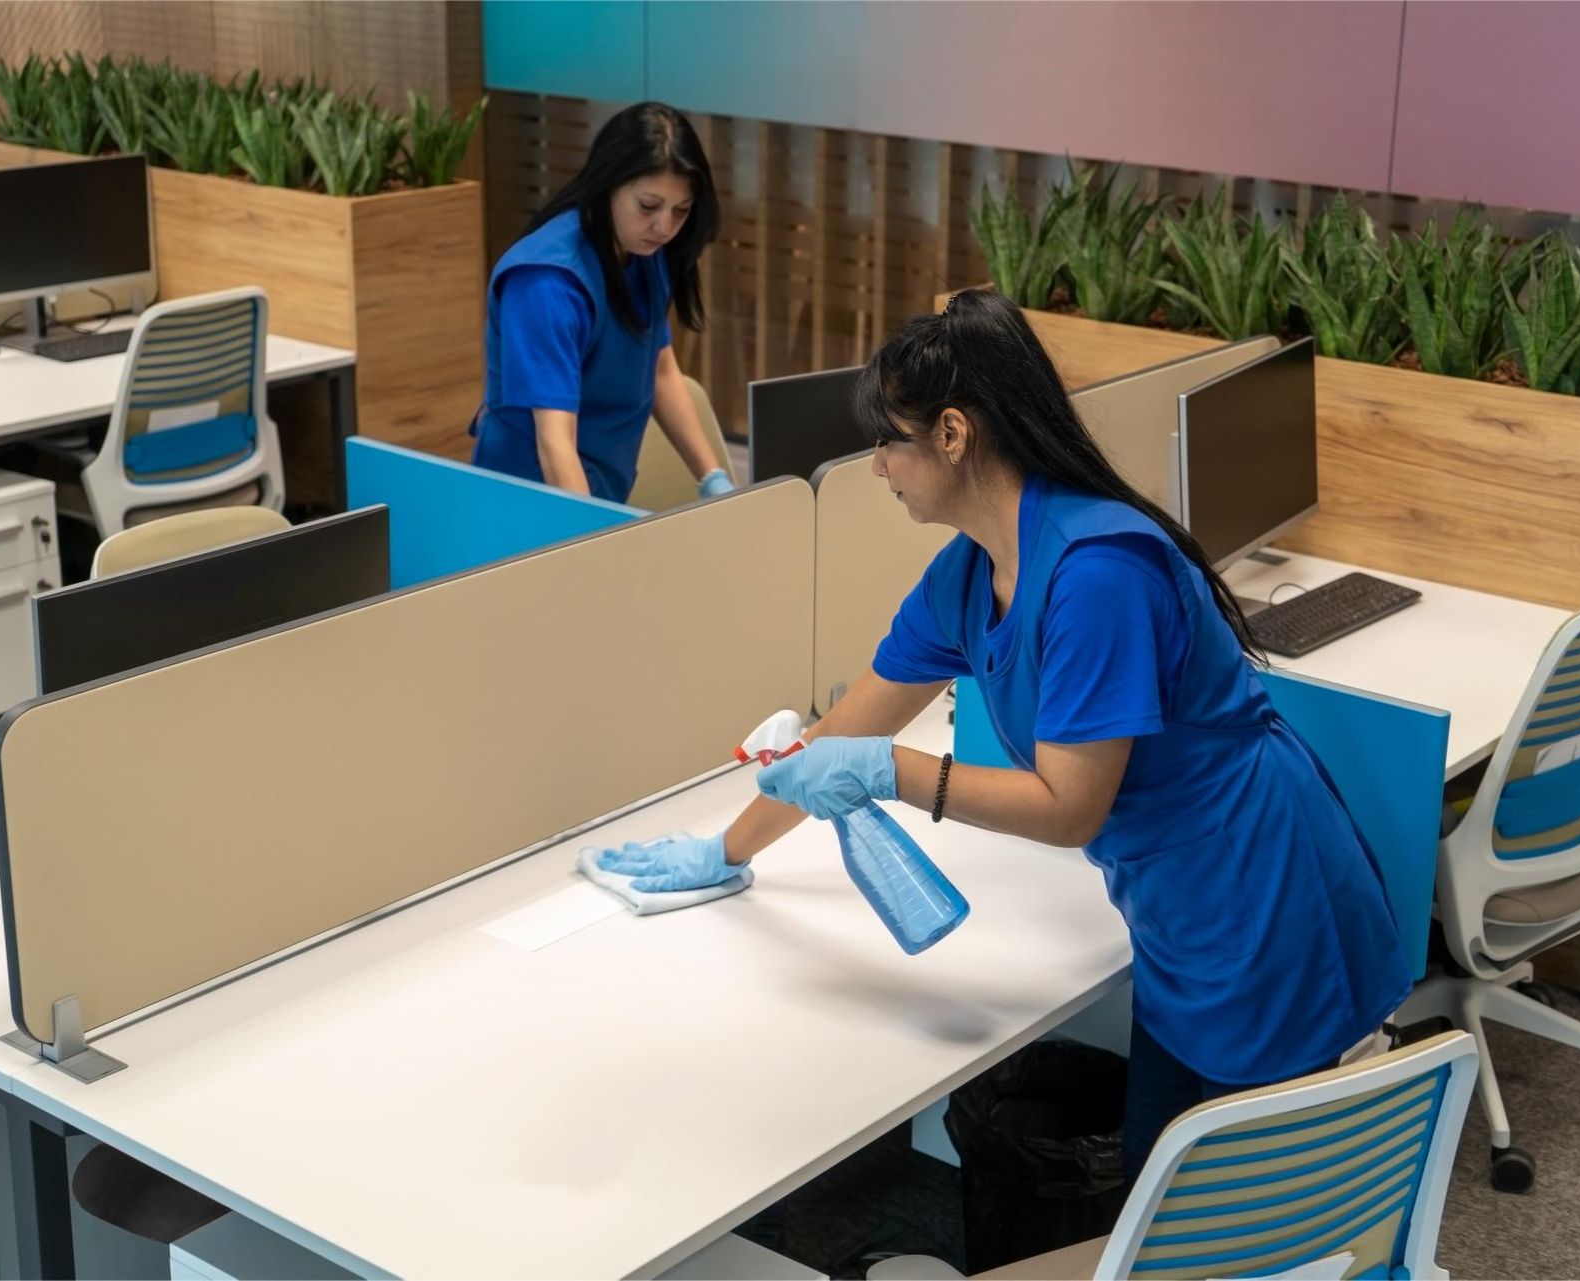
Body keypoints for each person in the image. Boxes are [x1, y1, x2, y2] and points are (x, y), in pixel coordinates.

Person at [596, 289, 1412, 1178]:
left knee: (1242, 1221)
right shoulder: (969, 574)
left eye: (888, 441)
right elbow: (846, 730)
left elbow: (1069, 808)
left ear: (952, 434)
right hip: (1175, 914)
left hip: (1261, 901)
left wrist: (892, 772)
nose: (877, 467)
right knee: (1161, 1193)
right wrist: (728, 848)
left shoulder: (1099, 574)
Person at [472, 102, 731, 504]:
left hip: (600, 488)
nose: (664, 227)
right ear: (609, 184)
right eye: (648, 206)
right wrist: (593, 540)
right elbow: (555, 442)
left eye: (680, 211)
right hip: (533, 501)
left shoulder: (643, 252)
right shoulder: (547, 282)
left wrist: (713, 479)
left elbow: (660, 370)